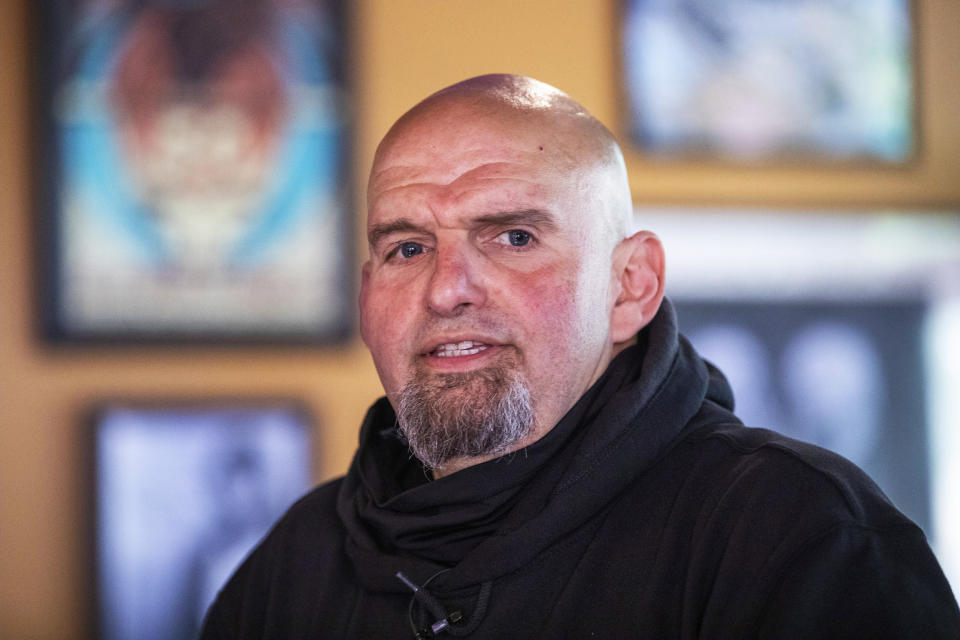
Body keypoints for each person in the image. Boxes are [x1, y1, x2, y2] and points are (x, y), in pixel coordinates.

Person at [200, 74, 960, 638]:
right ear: (367, 298)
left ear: (631, 287)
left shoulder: (799, 539)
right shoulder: (296, 564)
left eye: (515, 237)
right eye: (407, 247)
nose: (446, 290)